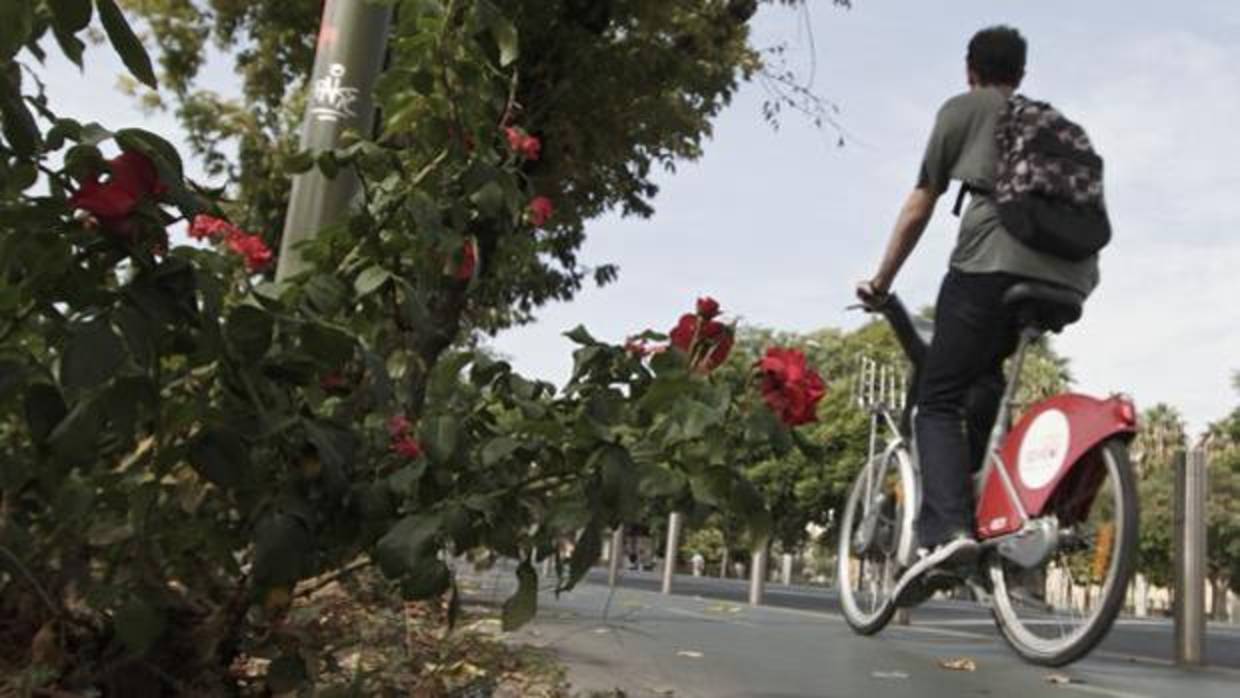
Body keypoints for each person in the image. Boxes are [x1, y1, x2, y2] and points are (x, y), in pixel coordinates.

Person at [855, 25, 1100, 603]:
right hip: (1068, 276)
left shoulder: (963, 110)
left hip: (990, 265)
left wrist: (882, 280)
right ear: (1021, 72)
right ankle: (985, 504)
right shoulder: (1052, 123)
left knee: (937, 399)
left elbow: (922, 202)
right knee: (983, 376)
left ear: (971, 69)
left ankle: (946, 530)